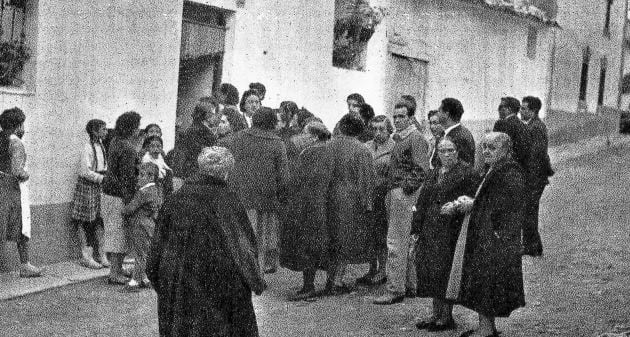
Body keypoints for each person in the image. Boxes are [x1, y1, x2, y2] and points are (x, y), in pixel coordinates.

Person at [147, 146, 264, 337]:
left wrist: (163, 283)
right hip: (222, 288)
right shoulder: (228, 201)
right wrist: (254, 281)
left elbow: (155, 253)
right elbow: (245, 248)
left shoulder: (175, 200)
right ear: (226, 172)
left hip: (179, 286)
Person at [452, 132, 527, 337]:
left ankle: (485, 330)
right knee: (483, 282)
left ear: (506, 150)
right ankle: (486, 327)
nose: (486, 151)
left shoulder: (510, 172)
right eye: (484, 147)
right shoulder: (496, 169)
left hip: (496, 237)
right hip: (489, 235)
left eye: (492, 148)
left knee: (488, 284)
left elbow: (504, 206)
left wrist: (473, 205)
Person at [411, 137, 478, 332]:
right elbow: (423, 200)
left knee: (445, 271)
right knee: (430, 270)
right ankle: (435, 313)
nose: (446, 154)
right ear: (437, 153)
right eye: (442, 151)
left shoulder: (467, 172)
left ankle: (445, 317)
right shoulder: (434, 173)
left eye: (450, 150)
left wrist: (456, 208)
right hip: (430, 227)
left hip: (451, 229)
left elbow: (474, 199)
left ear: (458, 152)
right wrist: (416, 227)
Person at [219, 108, 290, 274]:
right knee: (261, 239)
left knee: (239, 236)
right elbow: (284, 177)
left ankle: (236, 273)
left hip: (238, 195)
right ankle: (256, 274)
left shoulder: (237, 138)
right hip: (265, 198)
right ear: (272, 122)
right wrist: (282, 197)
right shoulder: (277, 143)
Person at [374, 101, 429, 305]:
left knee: (396, 242)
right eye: (395, 116)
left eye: (402, 116)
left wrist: (403, 189)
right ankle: (409, 285)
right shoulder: (403, 137)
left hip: (403, 195)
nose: (397, 120)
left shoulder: (415, 138)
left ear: (411, 117)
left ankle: (395, 289)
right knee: (403, 241)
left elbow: (421, 169)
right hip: (398, 193)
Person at [279, 122, 333, 300]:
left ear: (315, 136)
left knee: (307, 245)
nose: (302, 136)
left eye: (305, 133)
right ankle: (329, 283)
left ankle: (308, 286)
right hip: (324, 202)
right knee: (322, 244)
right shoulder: (329, 150)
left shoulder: (310, 153)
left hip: (308, 204)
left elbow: (299, 180)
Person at [325, 113, 375, 295]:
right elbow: (367, 180)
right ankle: (336, 281)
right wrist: (368, 204)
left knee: (332, 238)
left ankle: (331, 279)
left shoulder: (329, 145)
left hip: (329, 196)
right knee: (345, 239)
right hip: (350, 200)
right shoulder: (362, 150)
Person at [102, 111, 142, 285]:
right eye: (137, 126)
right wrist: (130, 200)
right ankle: (115, 272)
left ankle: (116, 269)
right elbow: (128, 177)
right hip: (119, 195)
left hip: (108, 193)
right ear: (131, 128)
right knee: (119, 233)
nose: (138, 130)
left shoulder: (115, 141)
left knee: (113, 231)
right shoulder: (128, 148)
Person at [0, 107, 41, 277]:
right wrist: (26, 174)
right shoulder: (16, 142)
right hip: (11, 190)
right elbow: (18, 171)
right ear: (18, 125)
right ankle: (25, 265)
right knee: (23, 226)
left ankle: (25, 265)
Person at [355, 115, 394, 286]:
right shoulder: (366, 147)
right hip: (367, 196)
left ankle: (383, 270)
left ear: (389, 130)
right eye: (375, 129)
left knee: (381, 234)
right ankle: (371, 268)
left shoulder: (394, 148)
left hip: (383, 195)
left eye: (382, 129)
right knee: (368, 234)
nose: (378, 133)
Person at [71, 119, 109, 270]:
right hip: (88, 186)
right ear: (94, 131)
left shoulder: (102, 147)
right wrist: (101, 178)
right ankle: (86, 256)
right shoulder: (87, 148)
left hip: (99, 187)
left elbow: (103, 166)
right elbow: (85, 171)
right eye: (103, 129)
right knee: (85, 221)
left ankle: (102, 254)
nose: (106, 132)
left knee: (99, 220)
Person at [520, 96, 554, 257]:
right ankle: (534, 246)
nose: (521, 111)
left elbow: (536, 155)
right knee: (529, 211)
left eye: (524, 108)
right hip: (534, 177)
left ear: (533, 111)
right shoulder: (532, 126)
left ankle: (532, 247)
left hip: (534, 178)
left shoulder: (536, 128)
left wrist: (529, 179)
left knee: (529, 211)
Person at [121, 162, 161, 292]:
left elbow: (131, 208)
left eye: (141, 175)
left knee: (140, 254)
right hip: (150, 224)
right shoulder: (155, 190)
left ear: (150, 177)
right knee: (145, 252)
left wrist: (123, 210)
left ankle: (135, 281)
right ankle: (145, 277)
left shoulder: (143, 192)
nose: (138, 177)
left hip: (139, 225)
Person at [174, 97, 219, 179]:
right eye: (213, 113)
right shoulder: (198, 131)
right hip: (197, 175)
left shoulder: (195, 129)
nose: (216, 116)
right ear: (205, 114)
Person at [493, 97, 532, 172]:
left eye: (500, 107)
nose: (498, 110)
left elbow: (495, 151)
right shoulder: (524, 126)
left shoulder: (501, 124)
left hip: (504, 171)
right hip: (520, 172)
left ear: (509, 109)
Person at [437, 98, 475, 166]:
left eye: (439, 111)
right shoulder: (446, 133)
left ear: (446, 114)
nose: (437, 114)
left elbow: (464, 168)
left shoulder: (461, 136)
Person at [141, 136, 174, 201]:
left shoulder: (160, 156)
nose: (155, 149)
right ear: (148, 148)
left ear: (161, 148)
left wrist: (169, 170)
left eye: (158, 146)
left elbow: (164, 165)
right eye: (152, 146)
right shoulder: (146, 158)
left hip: (161, 182)